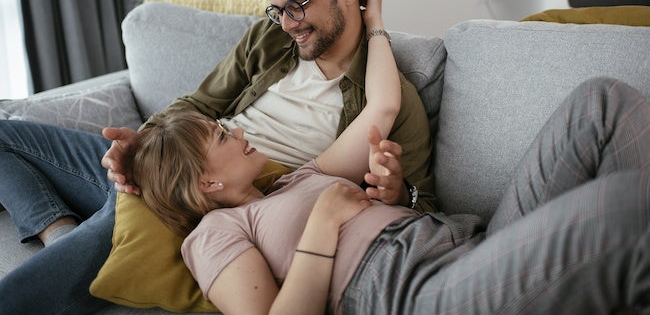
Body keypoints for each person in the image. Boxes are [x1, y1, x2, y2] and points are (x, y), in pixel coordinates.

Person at [0, 0, 433, 315]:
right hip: (185, 149)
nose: (286, 24)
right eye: (278, 9)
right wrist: (145, 142)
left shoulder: (392, 96)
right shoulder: (271, 38)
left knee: (119, 224)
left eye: (297, 6)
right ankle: (56, 227)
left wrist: (395, 191)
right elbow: (200, 104)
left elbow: (423, 204)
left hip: (231, 181)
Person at [135, 77, 650, 315]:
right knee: (625, 206)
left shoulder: (295, 176)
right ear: (207, 183)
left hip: (467, 245)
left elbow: (379, 111)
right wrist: (322, 226)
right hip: (415, 297)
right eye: (222, 136)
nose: (236, 130)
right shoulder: (215, 233)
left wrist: (394, 185)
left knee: (600, 103)